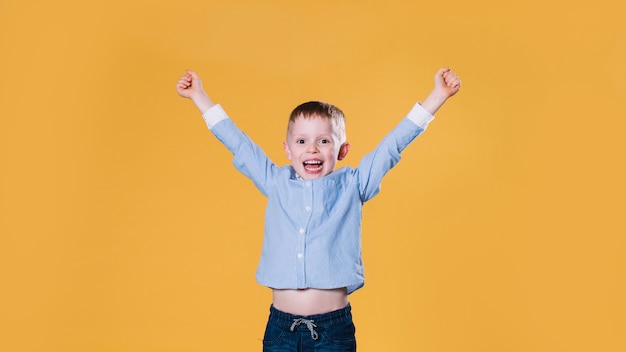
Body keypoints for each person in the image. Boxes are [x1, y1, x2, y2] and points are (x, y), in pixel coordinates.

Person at [176, 67, 461, 351]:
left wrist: (437, 96)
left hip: (333, 330)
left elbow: (391, 147)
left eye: (323, 141)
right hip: (280, 329)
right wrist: (199, 96)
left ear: (342, 150)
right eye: (301, 141)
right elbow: (239, 144)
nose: (312, 149)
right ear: (288, 150)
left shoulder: (354, 184)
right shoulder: (275, 181)